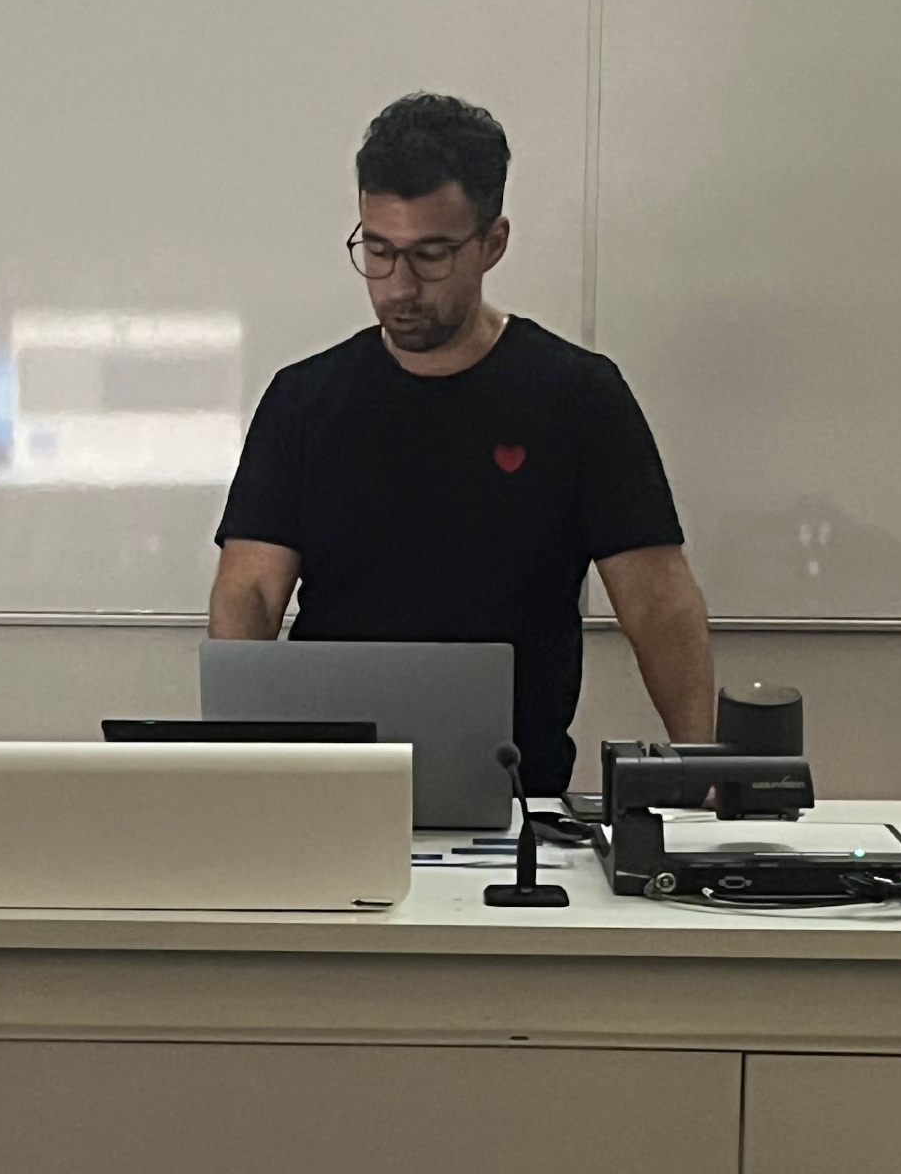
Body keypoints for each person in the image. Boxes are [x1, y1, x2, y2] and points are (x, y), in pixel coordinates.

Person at [207, 92, 714, 793]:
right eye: (377, 250)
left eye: (431, 255)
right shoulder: (304, 401)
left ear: (492, 243)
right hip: (330, 787)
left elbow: (657, 604)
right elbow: (253, 592)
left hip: (518, 797)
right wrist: (234, 766)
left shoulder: (578, 397)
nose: (398, 286)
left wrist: (702, 770)